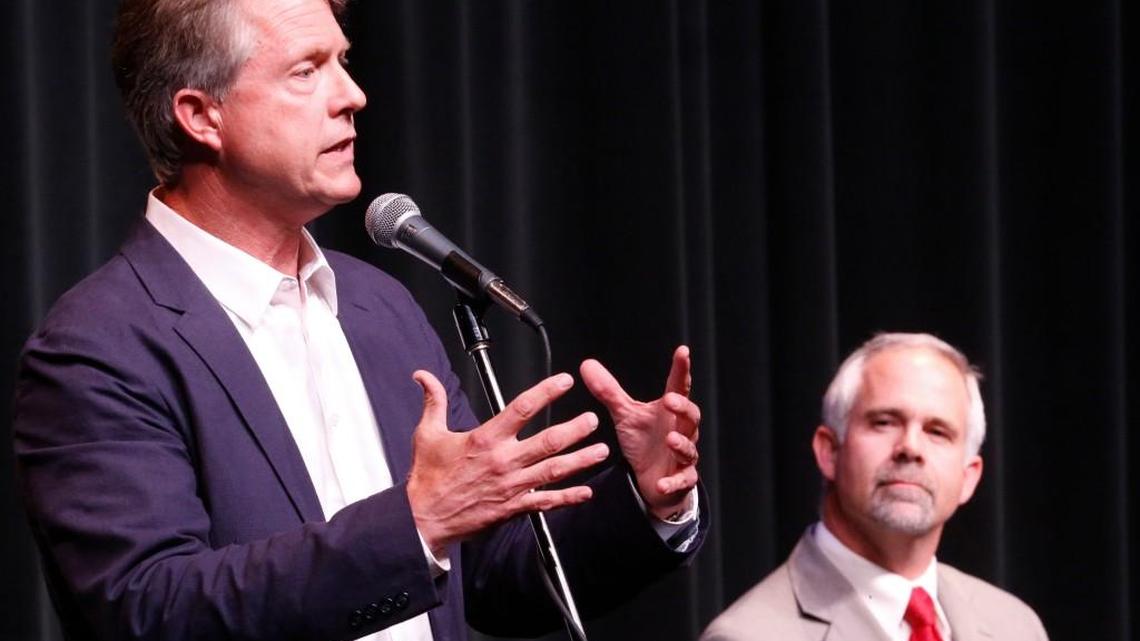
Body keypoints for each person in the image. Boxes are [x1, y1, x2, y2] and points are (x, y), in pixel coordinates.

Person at [12, 1, 705, 640]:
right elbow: (149, 607)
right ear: (201, 115)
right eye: (306, 70)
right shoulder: (98, 346)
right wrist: (414, 525)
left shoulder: (379, 305)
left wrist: (648, 501)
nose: (352, 95)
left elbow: (487, 574)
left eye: (342, 61)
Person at [701, 333, 1046, 641]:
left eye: (937, 431)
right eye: (884, 422)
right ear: (829, 451)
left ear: (969, 477)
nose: (910, 447)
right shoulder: (745, 636)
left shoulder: (1015, 626)